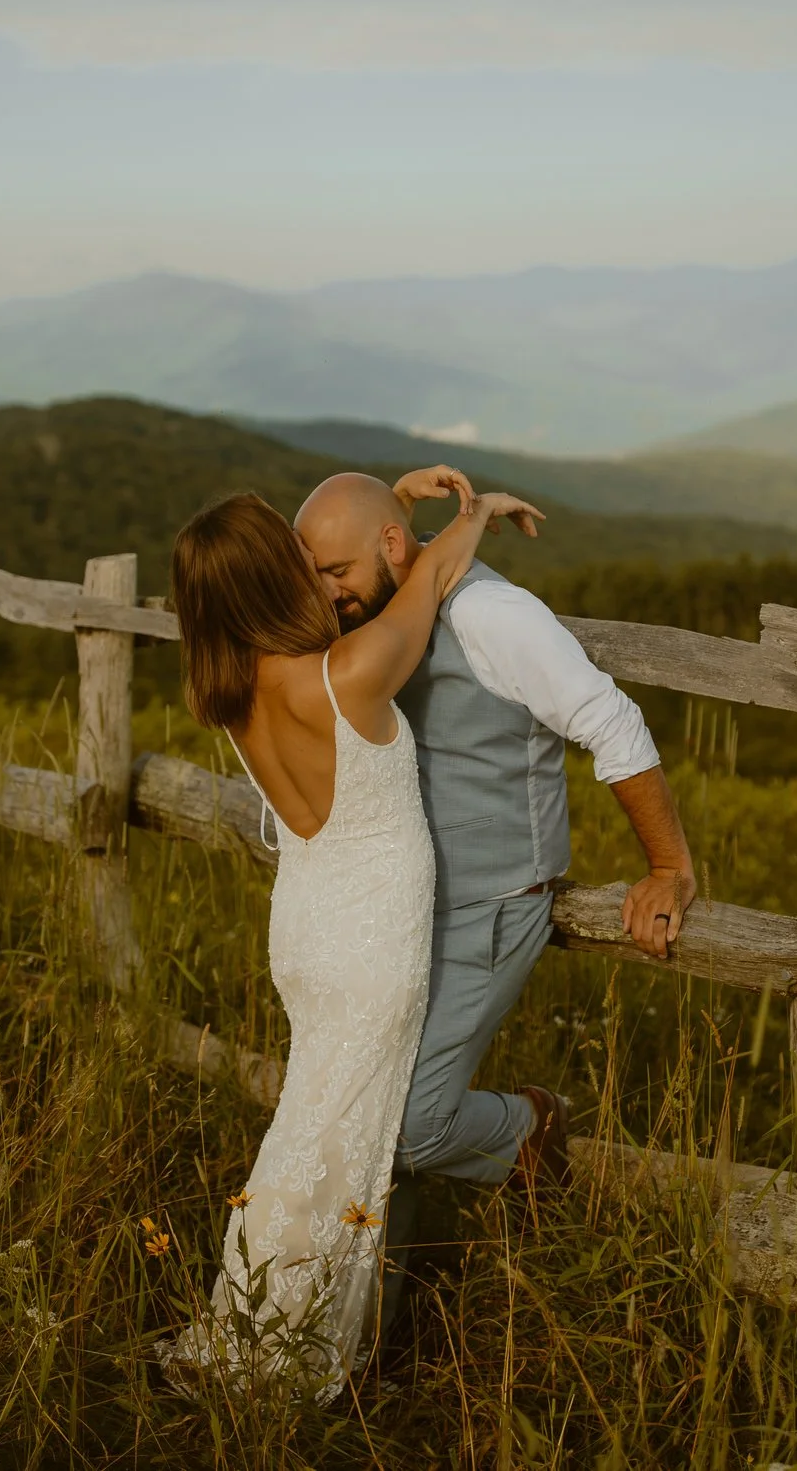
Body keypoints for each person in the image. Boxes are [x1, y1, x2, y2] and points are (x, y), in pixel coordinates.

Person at [161, 482, 547, 1399]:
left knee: (312, 1132)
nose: (312, 569)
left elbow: (345, 559)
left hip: (303, 932)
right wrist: (474, 512)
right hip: (373, 942)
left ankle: (257, 1323)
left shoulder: (235, 692)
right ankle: (300, 1353)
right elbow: (431, 571)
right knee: (352, 1143)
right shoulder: (349, 672)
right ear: (277, 576)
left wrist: (386, 488)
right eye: (295, 559)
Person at [293, 466, 695, 1320]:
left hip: (494, 900)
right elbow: (380, 555)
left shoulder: (492, 615)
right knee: (367, 1117)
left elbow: (612, 722)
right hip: (402, 908)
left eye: (335, 575)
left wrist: (667, 867)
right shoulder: (389, 594)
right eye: (317, 576)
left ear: (394, 550)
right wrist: (397, 507)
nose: (328, 597)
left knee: (405, 1125)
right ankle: (377, 1327)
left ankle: (532, 1130)